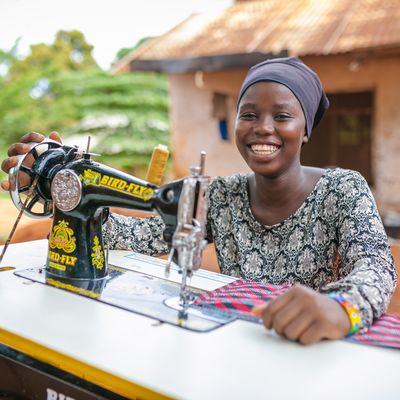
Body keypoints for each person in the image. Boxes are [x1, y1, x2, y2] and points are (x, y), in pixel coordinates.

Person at [1, 57, 396, 345]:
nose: (263, 127)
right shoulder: (221, 195)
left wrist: (341, 308)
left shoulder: (343, 188)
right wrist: (62, 189)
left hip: (310, 346)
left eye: (282, 116)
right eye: (249, 114)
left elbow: (377, 269)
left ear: (305, 129)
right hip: (233, 343)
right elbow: (137, 236)